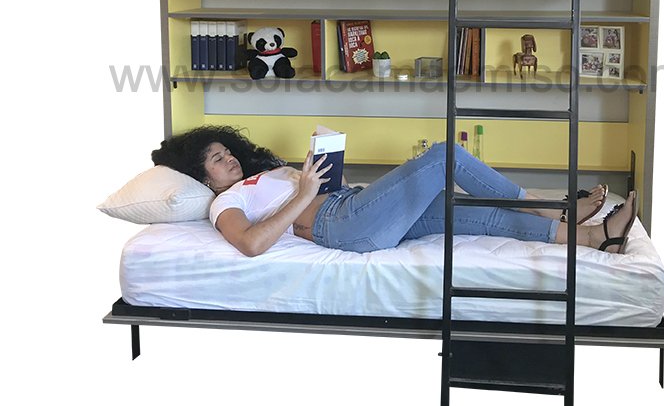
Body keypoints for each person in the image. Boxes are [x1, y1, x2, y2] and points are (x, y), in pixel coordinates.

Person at [151, 125, 638, 259]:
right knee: (444, 155)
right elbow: (252, 244)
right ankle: (551, 206)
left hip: (350, 207)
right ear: (203, 177)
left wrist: (318, 174)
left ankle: (595, 239)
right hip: (342, 224)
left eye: (227, 152)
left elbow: (312, 196)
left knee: (466, 210)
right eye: (216, 160)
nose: (229, 160)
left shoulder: (260, 176)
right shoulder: (225, 202)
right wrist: (303, 195)